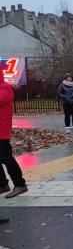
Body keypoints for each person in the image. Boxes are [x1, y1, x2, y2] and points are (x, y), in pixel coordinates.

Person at [0, 68, 28, 199]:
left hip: (1, 130)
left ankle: (20, 184)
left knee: (7, 158)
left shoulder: (5, 88)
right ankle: (2, 185)